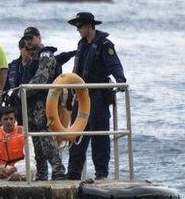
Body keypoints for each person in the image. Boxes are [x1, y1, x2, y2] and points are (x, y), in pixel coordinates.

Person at [62, 12, 127, 180]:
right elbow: (76, 70)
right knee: (76, 136)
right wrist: (70, 92)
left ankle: (101, 175)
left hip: (98, 96)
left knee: (100, 136)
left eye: (80, 26)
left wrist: (120, 79)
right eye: (76, 27)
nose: (78, 30)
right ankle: (73, 173)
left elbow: (114, 63)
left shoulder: (105, 44)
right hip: (80, 96)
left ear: (90, 26)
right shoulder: (81, 44)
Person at [21, 27, 66, 180]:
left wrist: (22, 92)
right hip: (31, 102)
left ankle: (58, 170)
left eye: (31, 38)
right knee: (35, 139)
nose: (28, 41)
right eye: (26, 38)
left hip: (43, 101)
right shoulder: (31, 57)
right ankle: (42, 173)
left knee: (45, 137)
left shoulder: (45, 55)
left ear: (39, 37)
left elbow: (42, 78)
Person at [0, 106, 37, 181]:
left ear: (15, 120)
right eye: (5, 119)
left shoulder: (24, 134)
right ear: (0, 121)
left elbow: (30, 158)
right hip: (3, 170)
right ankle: (11, 178)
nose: (9, 122)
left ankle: (15, 177)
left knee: (31, 167)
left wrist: (14, 169)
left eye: (11, 119)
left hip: (19, 168)